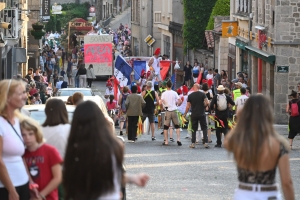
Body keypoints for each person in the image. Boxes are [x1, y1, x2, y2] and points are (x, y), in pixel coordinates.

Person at [63, 101, 149, 200]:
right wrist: (133, 179)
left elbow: (68, 180)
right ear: (100, 120)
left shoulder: (72, 148)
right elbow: (113, 175)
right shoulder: (114, 146)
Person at [224, 95, 294, 200]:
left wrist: (240, 120)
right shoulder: (279, 144)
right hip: (269, 194)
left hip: (244, 193)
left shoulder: (239, 141)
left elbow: (227, 142)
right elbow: (287, 182)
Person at [0, 79, 31, 199]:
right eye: (21, 93)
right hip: (6, 189)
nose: (25, 96)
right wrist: (12, 191)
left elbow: (20, 156)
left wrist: (30, 182)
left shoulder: (18, 121)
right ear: (7, 97)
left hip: (22, 184)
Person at [21, 117, 62, 200]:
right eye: (23, 134)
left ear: (36, 133)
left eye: (30, 133)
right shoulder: (22, 154)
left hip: (49, 197)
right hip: (30, 196)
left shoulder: (50, 150)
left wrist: (40, 196)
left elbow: (58, 178)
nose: (27, 137)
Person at [183, 83, 209, 148]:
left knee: (194, 129)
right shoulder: (203, 94)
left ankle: (193, 143)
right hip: (202, 113)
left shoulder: (190, 95)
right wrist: (204, 106)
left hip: (194, 114)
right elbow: (207, 102)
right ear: (199, 87)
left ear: (194, 87)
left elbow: (188, 106)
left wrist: (185, 114)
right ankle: (205, 142)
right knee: (204, 128)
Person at [161, 80, 182, 146]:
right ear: (172, 86)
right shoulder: (174, 93)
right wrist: (178, 104)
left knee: (166, 126)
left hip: (167, 111)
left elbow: (160, 102)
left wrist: (162, 107)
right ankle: (178, 139)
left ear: (166, 86)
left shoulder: (164, 93)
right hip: (174, 110)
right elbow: (180, 100)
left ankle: (166, 141)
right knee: (177, 125)